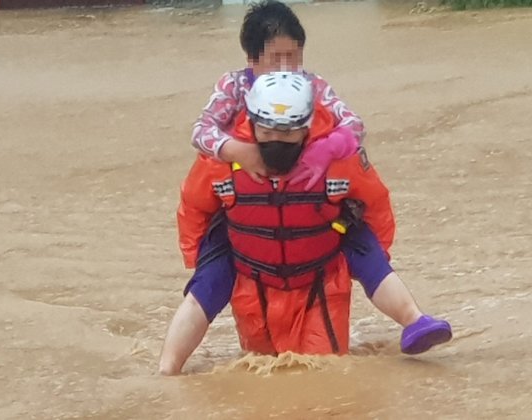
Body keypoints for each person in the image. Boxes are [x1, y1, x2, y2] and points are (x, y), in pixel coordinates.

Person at [159, 2, 451, 375]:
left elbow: (358, 140)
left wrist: (324, 152)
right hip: (247, 236)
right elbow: (199, 147)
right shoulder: (232, 91)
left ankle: (415, 319)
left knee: (361, 244)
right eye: (275, 58)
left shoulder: (314, 91)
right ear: (252, 58)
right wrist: (240, 153)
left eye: (292, 58)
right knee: (207, 283)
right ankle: (166, 373)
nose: (285, 68)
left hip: (319, 237)